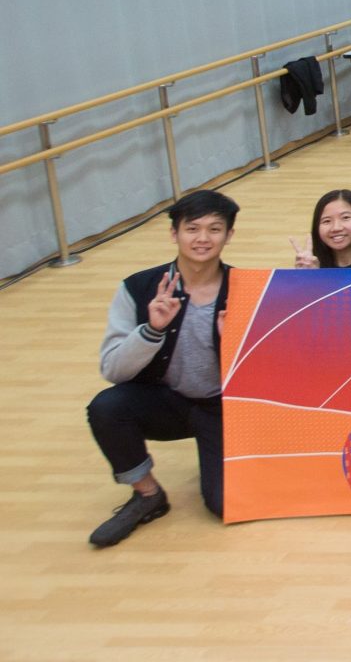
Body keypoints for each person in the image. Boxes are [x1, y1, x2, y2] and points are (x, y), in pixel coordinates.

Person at [86, 190, 240, 546]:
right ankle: (147, 495)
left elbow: (269, 371)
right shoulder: (138, 287)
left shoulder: (246, 288)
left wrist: (234, 341)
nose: (203, 238)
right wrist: (152, 330)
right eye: (193, 228)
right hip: (166, 403)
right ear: (174, 234)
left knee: (223, 505)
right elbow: (113, 369)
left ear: (229, 235)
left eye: (215, 229)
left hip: (223, 408)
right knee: (107, 406)